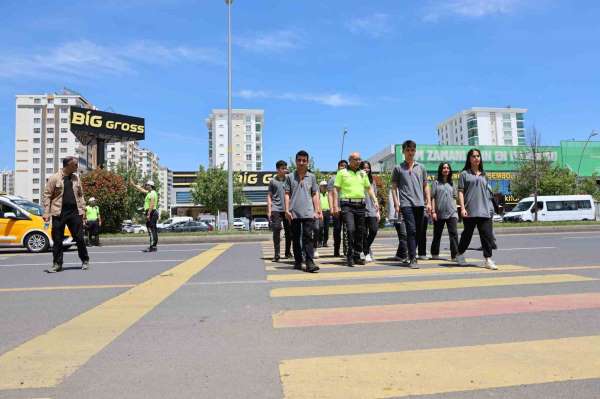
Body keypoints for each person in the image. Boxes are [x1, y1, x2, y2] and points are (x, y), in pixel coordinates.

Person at [42, 156, 90, 272]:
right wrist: (46, 212)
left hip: (74, 213)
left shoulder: (76, 178)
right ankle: (57, 264)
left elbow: (80, 195)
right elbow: (47, 195)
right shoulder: (54, 178)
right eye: (75, 165)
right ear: (68, 165)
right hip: (59, 213)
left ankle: (85, 260)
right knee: (57, 240)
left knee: (79, 238)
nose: (77, 167)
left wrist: (83, 210)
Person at [332, 152, 378, 267]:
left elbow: (369, 188)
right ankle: (349, 255)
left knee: (360, 231)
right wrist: (335, 206)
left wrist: (375, 200)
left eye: (359, 159)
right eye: (356, 159)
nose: (359, 161)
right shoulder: (342, 173)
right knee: (351, 229)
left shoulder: (363, 173)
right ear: (350, 160)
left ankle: (357, 255)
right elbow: (335, 190)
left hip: (361, 206)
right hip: (347, 204)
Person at [391, 140, 431, 269]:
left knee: (419, 232)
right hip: (406, 204)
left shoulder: (421, 167)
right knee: (411, 230)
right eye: (407, 150)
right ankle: (413, 258)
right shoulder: (398, 168)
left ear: (415, 151)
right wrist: (397, 204)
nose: (410, 153)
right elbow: (394, 187)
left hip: (420, 204)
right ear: (403, 152)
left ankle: (409, 253)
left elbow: (426, 186)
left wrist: (429, 202)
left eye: (412, 150)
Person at [456, 149, 498, 270]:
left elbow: (487, 193)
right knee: (467, 235)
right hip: (470, 210)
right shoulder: (464, 174)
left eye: (478, 156)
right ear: (469, 159)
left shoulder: (484, 174)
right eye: (473, 156)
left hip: (485, 210)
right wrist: (462, 208)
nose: (476, 158)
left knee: (487, 236)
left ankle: (488, 259)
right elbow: (460, 192)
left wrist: (491, 208)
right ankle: (459, 254)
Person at [284, 150, 321, 273]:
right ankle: (298, 261)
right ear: (295, 161)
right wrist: (287, 210)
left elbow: (315, 194)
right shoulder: (289, 177)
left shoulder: (312, 177)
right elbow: (287, 194)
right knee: (295, 237)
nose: (301, 162)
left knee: (307, 237)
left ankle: (310, 262)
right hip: (293, 212)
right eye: (299, 160)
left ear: (307, 162)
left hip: (308, 212)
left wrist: (317, 210)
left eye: (304, 160)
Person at [430, 162, 459, 260]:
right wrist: (433, 211)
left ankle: (455, 255)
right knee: (437, 234)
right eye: (444, 168)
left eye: (447, 168)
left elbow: (455, 197)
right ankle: (434, 253)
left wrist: (455, 210)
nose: (446, 169)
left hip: (452, 212)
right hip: (439, 213)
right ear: (441, 170)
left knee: (454, 234)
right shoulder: (436, 183)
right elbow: (433, 197)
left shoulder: (453, 183)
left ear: (449, 170)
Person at [267, 160, 292, 262]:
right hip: (276, 208)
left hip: (288, 209)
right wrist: (269, 209)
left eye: (286, 168)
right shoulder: (272, 181)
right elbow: (269, 196)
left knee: (289, 232)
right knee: (277, 229)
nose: (285, 170)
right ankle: (276, 254)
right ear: (277, 169)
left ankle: (287, 252)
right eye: (283, 168)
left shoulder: (289, 179)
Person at [131, 179, 159, 252]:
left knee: (151, 230)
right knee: (152, 230)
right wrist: (134, 185)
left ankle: (153, 246)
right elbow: (141, 189)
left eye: (147, 185)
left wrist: (149, 213)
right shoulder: (149, 192)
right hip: (151, 212)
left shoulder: (152, 193)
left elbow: (152, 204)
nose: (146, 186)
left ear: (151, 186)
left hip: (152, 212)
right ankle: (153, 246)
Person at [327, 160, 348, 257]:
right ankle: (336, 250)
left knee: (347, 230)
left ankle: (347, 251)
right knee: (337, 230)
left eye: (345, 166)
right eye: (341, 166)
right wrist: (332, 207)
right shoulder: (333, 179)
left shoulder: (349, 177)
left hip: (347, 208)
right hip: (337, 209)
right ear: (338, 167)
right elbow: (330, 194)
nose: (343, 167)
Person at [360, 161, 380, 263]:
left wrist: (378, 212)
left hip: (372, 210)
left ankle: (365, 248)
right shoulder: (358, 179)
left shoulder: (373, 181)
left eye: (368, 168)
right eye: (364, 168)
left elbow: (375, 197)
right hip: (361, 210)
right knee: (363, 233)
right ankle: (367, 253)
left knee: (374, 230)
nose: (366, 170)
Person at [388, 189, 408, 262]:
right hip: (399, 215)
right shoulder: (394, 188)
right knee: (403, 235)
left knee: (404, 236)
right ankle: (406, 255)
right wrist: (393, 216)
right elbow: (391, 202)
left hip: (407, 213)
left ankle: (399, 255)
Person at [318, 181, 331, 247]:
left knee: (326, 228)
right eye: (323, 186)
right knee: (320, 227)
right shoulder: (318, 194)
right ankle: (319, 241)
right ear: (320, 186)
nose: (325, 187)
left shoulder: (328, 193)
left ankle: (325, 242)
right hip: (321, 212)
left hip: (327, 211)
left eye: (326, 186)